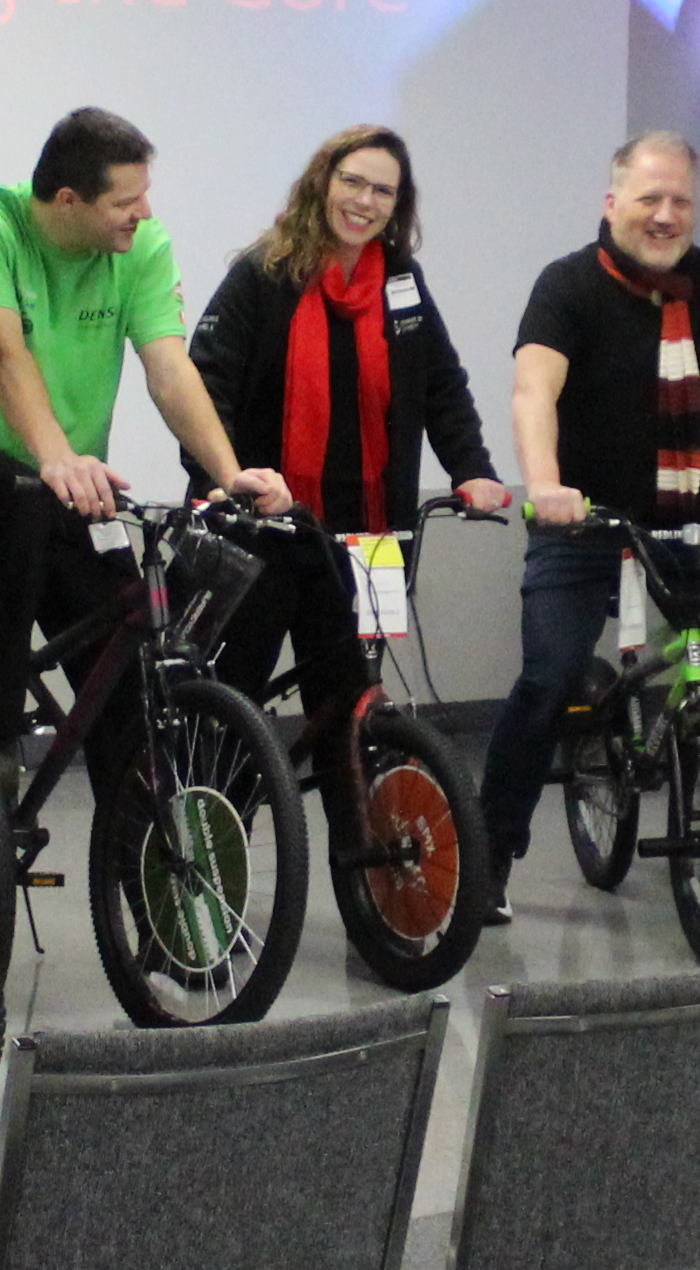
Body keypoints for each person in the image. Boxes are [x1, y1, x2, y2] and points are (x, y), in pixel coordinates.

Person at [477, 131, 700, 918]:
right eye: (649, 199)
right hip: (582, 518)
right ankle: (490, 852)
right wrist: (547, 486)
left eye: (680, 201)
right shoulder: (567, 284)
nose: (666, 214)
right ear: (612, 204)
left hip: (685, 517)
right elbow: (534, 392)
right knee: (549, 679)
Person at [0, 106, 286, 750]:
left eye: (145, 196)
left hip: (68, 476)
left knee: (123, 661)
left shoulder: (141, 245)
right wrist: (56, 458)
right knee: (21, 511)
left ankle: (136, 801)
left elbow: (169, 369)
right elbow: (2, 349)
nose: (144, 213)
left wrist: (228, 475)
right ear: (67, 200)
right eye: (124, 202)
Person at [189, 122, 515, 853]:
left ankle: (361, 864)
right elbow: (205, 383)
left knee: (349, 708)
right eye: (353, 182)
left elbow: (441, 385)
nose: (365, 202)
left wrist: (473, 469)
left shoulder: (401, 282)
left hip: (368, 532)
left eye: (383, 192)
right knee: (235, 702)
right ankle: (210, 853)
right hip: (267, 529)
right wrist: (219, 480)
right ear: (323, 182)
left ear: (399, 205)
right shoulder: (265, 272)